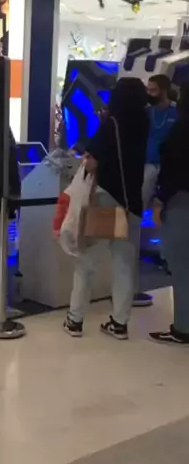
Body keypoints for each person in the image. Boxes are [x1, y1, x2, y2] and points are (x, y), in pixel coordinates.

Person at [64, 77, 149, 340]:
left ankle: (75, 320)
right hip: (131, 201)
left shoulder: (111, 124)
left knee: (85, 260)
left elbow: (91, 162)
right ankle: (119, 323)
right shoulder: (144, 123)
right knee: (124, 264)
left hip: (104, 199)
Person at [150, 83, 189, 344]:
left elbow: (174, 169)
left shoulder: (182, 130)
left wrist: (159, 199)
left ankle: (183, 328)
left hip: (181, 201)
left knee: (182, 267)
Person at [133, 74, 178, 307]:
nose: (149, 94)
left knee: (172, 216)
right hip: (147, 167)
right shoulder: (145, 113)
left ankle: (170, 258)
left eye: (153, 90)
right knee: (135, 215)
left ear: (164, 89)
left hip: (170, 170)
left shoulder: (177, 113)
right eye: (147, 89)